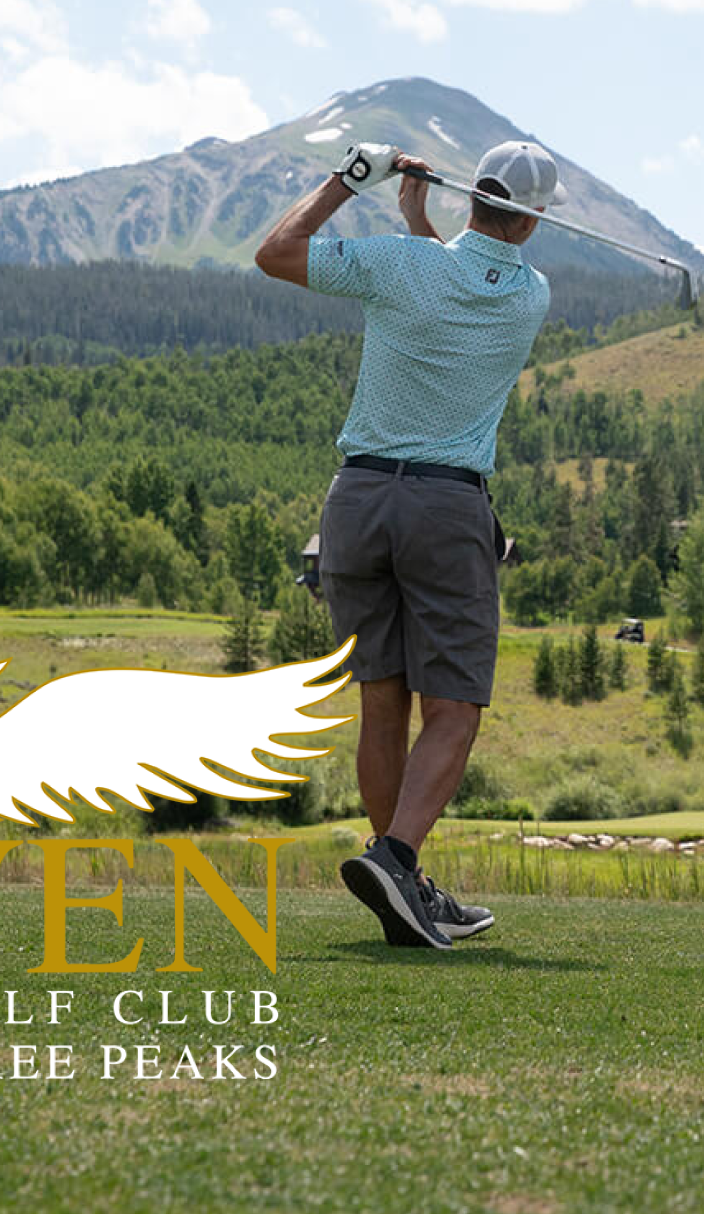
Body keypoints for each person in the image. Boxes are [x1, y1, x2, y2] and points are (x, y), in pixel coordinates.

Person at [255, 137, 558, 949]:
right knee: (454, 709)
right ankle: (395, 856)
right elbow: (468, 280)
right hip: (446, 508)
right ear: (531, 222)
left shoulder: (398, 265)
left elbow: (275, 252)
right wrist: (420, 221)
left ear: (472, 197)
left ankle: (405, 885)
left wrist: (352, 181)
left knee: (380, 700)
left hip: (354, 503)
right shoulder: (531, 295)